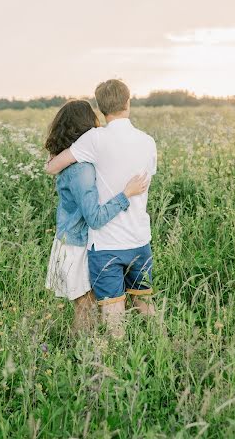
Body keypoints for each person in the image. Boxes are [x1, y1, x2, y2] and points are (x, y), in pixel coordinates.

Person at [45, 80, 157, 337]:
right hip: (134, 239)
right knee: (137, 304)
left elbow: (51, 167)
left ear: (100, 106)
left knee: (106, 313)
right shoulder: (147, 142)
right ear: (128, 101)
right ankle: (158, 353)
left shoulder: (93, 142)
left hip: (105, 244)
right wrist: (126, 192)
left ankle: (105, 361)